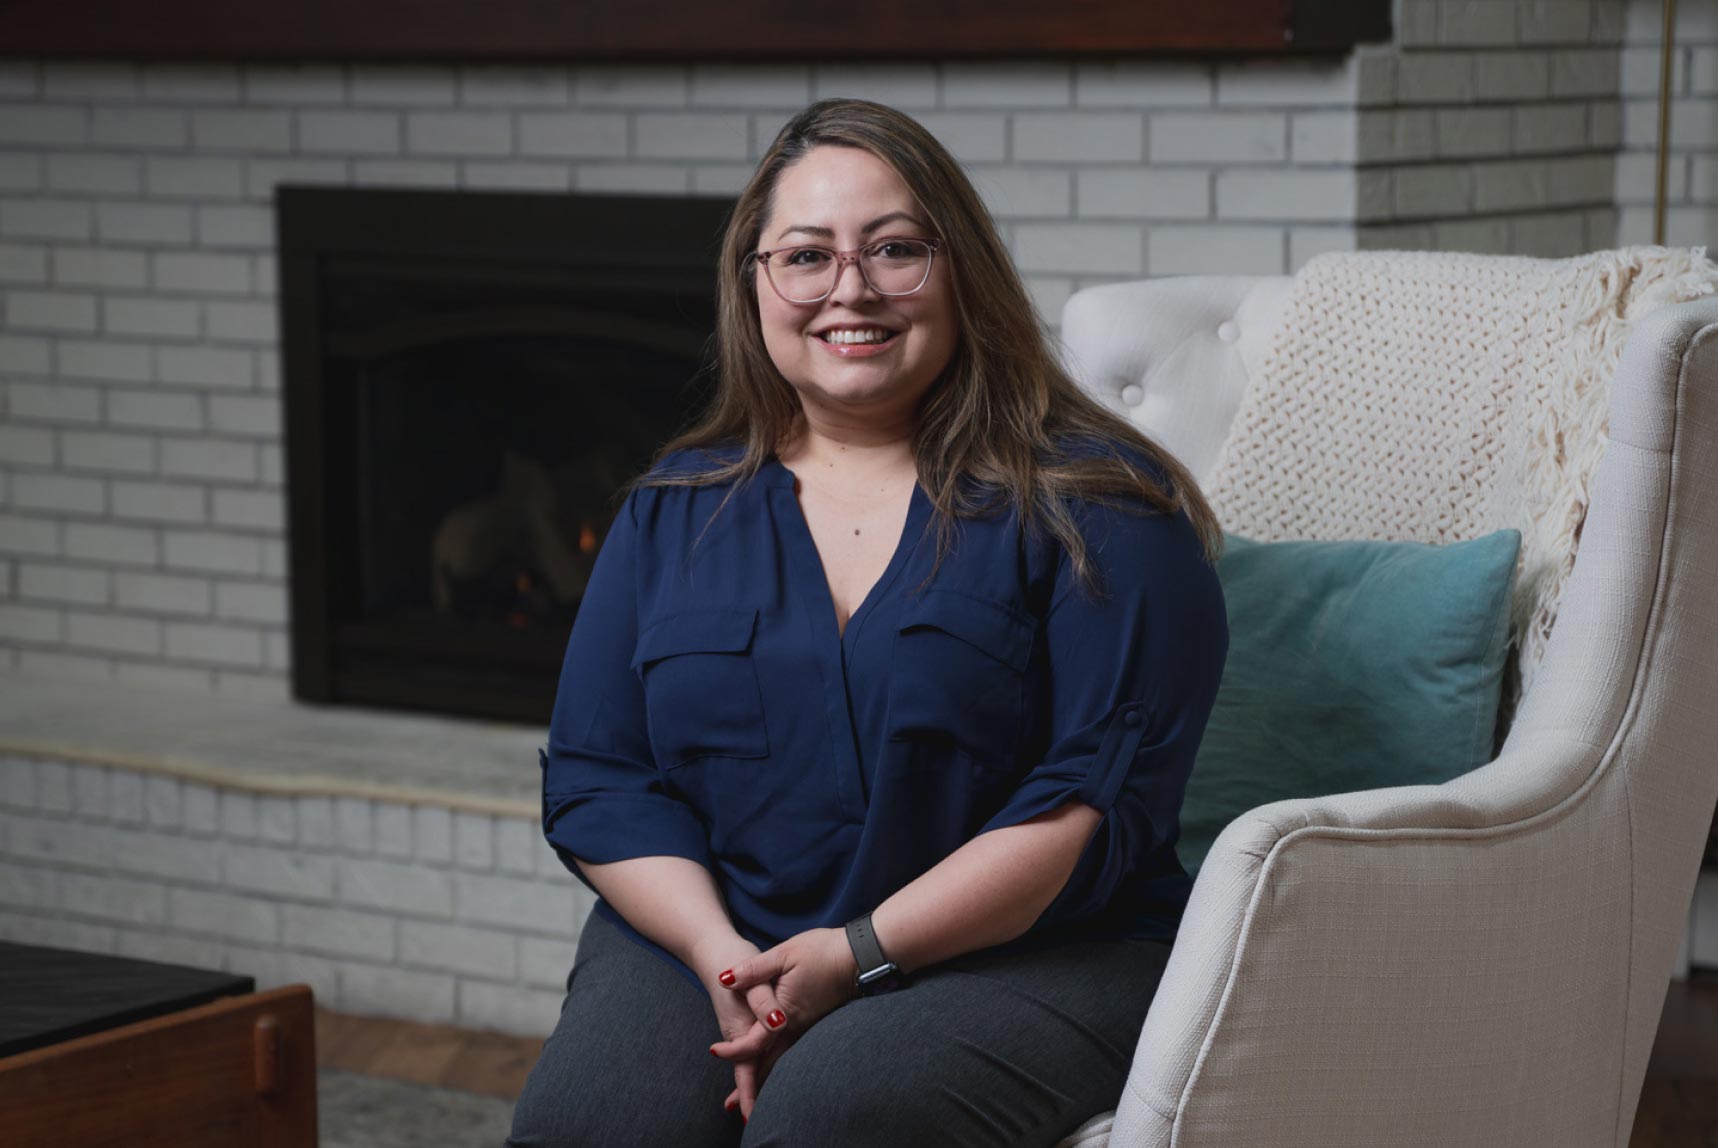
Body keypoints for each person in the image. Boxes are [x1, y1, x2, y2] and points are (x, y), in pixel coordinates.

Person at [506, 97, 1229, 1148]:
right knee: (591, 1126)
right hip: (727, 926)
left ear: (960, 268)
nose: (848, 288)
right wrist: (724, 960)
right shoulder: (674, 505)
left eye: (894, 248)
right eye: (805, 256)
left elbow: (1086, 807)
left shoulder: (1102, 508)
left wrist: (850, 956)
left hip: (1033, 948)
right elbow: (596, 776)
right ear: (754, 283)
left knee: (829, 1118)